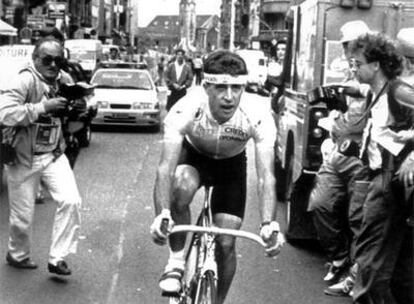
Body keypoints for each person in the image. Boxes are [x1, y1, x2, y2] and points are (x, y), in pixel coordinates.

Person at [150, 50, 284, 304]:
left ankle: (218, 300)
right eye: (221, 87)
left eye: (237, 87)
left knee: (226, 243)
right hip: (195, 158)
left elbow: (266, 177)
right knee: (181, 186)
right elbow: (164, 168)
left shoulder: (257, 111)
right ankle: (176, 262)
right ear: (206, 86)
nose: (229, 97)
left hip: (231, 167)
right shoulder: (186, 107)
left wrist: (269, 224)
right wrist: (162, 215)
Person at [0, 38, 82, 276]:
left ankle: (58, 258)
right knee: (22, 218)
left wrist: (77, 106)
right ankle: (17, 255)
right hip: (23, 158)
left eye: (59, 60)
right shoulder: (24, 80)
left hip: (53, 154)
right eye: (47, 59)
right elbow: (4, 113)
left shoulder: (64, 80)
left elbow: (76, 111)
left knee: (71, 200)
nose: (53, 64)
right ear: (35, 59)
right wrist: (42, 108)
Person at [348, 32, 413, 304]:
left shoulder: (398, 91)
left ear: (375, 65)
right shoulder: (377, 93)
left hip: (390, 184)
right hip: (378, 179)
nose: (354, 68)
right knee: (379, 261)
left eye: (358, 63)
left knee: (371, 262)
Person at [307, 20, 371, 297]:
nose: (349, 51)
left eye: (355, 45)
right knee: (319, 204)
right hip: (338, 152)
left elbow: (372, 93)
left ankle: (354, 277)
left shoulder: (375, 70)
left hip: (362, 158)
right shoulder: (349, 68)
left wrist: (348, 89)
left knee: (359, 219)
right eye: (347, 45)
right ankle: (339, 257)